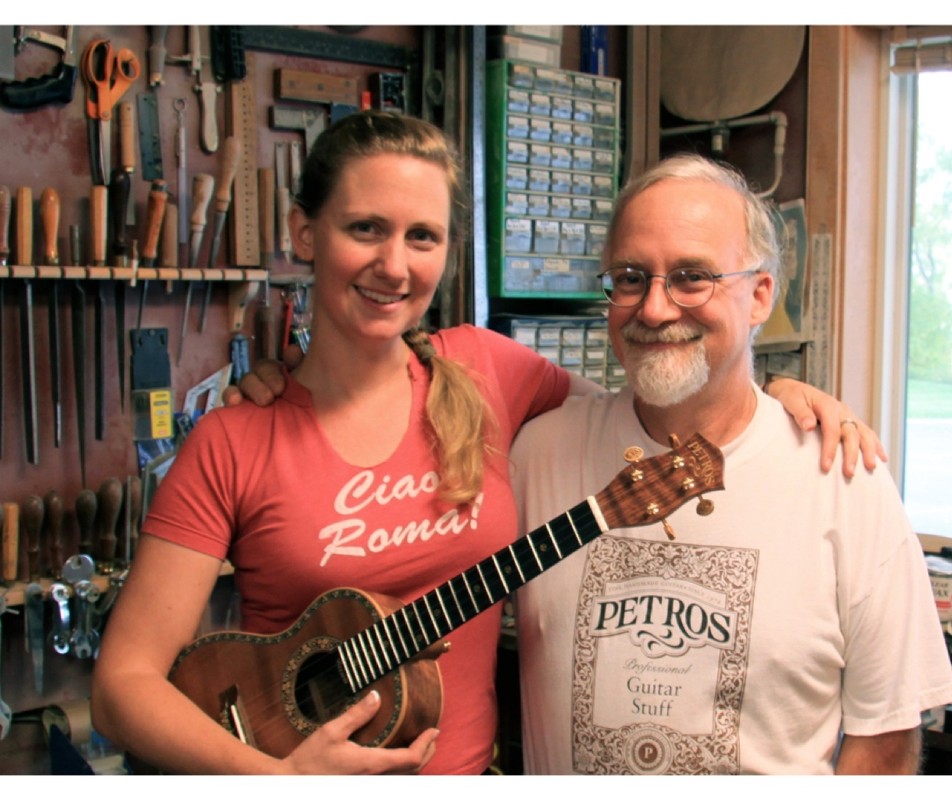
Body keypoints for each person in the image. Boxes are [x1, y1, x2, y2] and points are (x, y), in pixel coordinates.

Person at [92, 110, 880, 777]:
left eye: (423, 236)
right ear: (305, 232)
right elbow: (122, 686)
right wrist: (277, 777)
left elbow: (656, 400)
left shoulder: (486, 372)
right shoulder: (233, 439)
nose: (394, 265)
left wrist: (774, 393)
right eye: (365, 228)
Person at [508, 153, 952, 775]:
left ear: (760, 295)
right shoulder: (537, 455)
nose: (656, 309)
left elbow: (884, 738)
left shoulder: (845, 481)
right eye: (632, 277)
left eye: (692, 277)